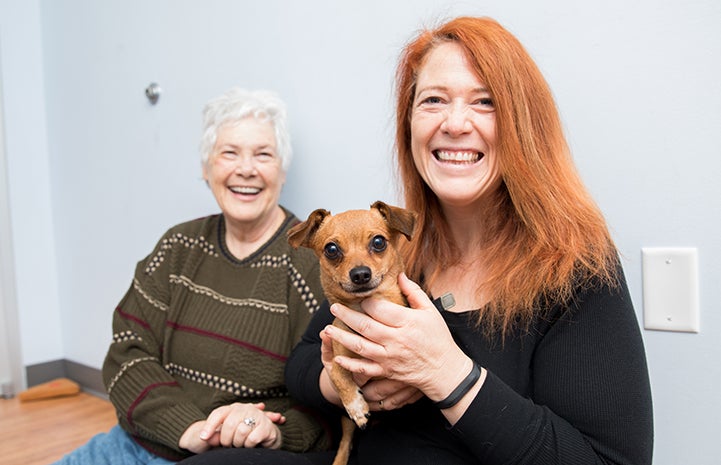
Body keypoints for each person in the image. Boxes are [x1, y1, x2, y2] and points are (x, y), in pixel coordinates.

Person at [179, 16, 654, 465]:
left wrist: (447, 374)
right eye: (433, 101)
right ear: (409, 125)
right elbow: (302, 366)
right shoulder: (393, 248)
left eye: (484, 101)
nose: (454, 123)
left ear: (523, 124)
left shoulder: (577, 269)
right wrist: (342, 380)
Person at [52, 88, 334, 465]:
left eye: (263, 154)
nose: (246, 169)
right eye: (228, 153)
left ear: (282, 172)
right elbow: (126, 352)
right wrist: (189, 430)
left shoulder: (310, 265)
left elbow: (329, 398)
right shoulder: (178, 247)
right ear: (206, 168)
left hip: (229, 460)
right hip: (133, 444)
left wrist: (274, 432)